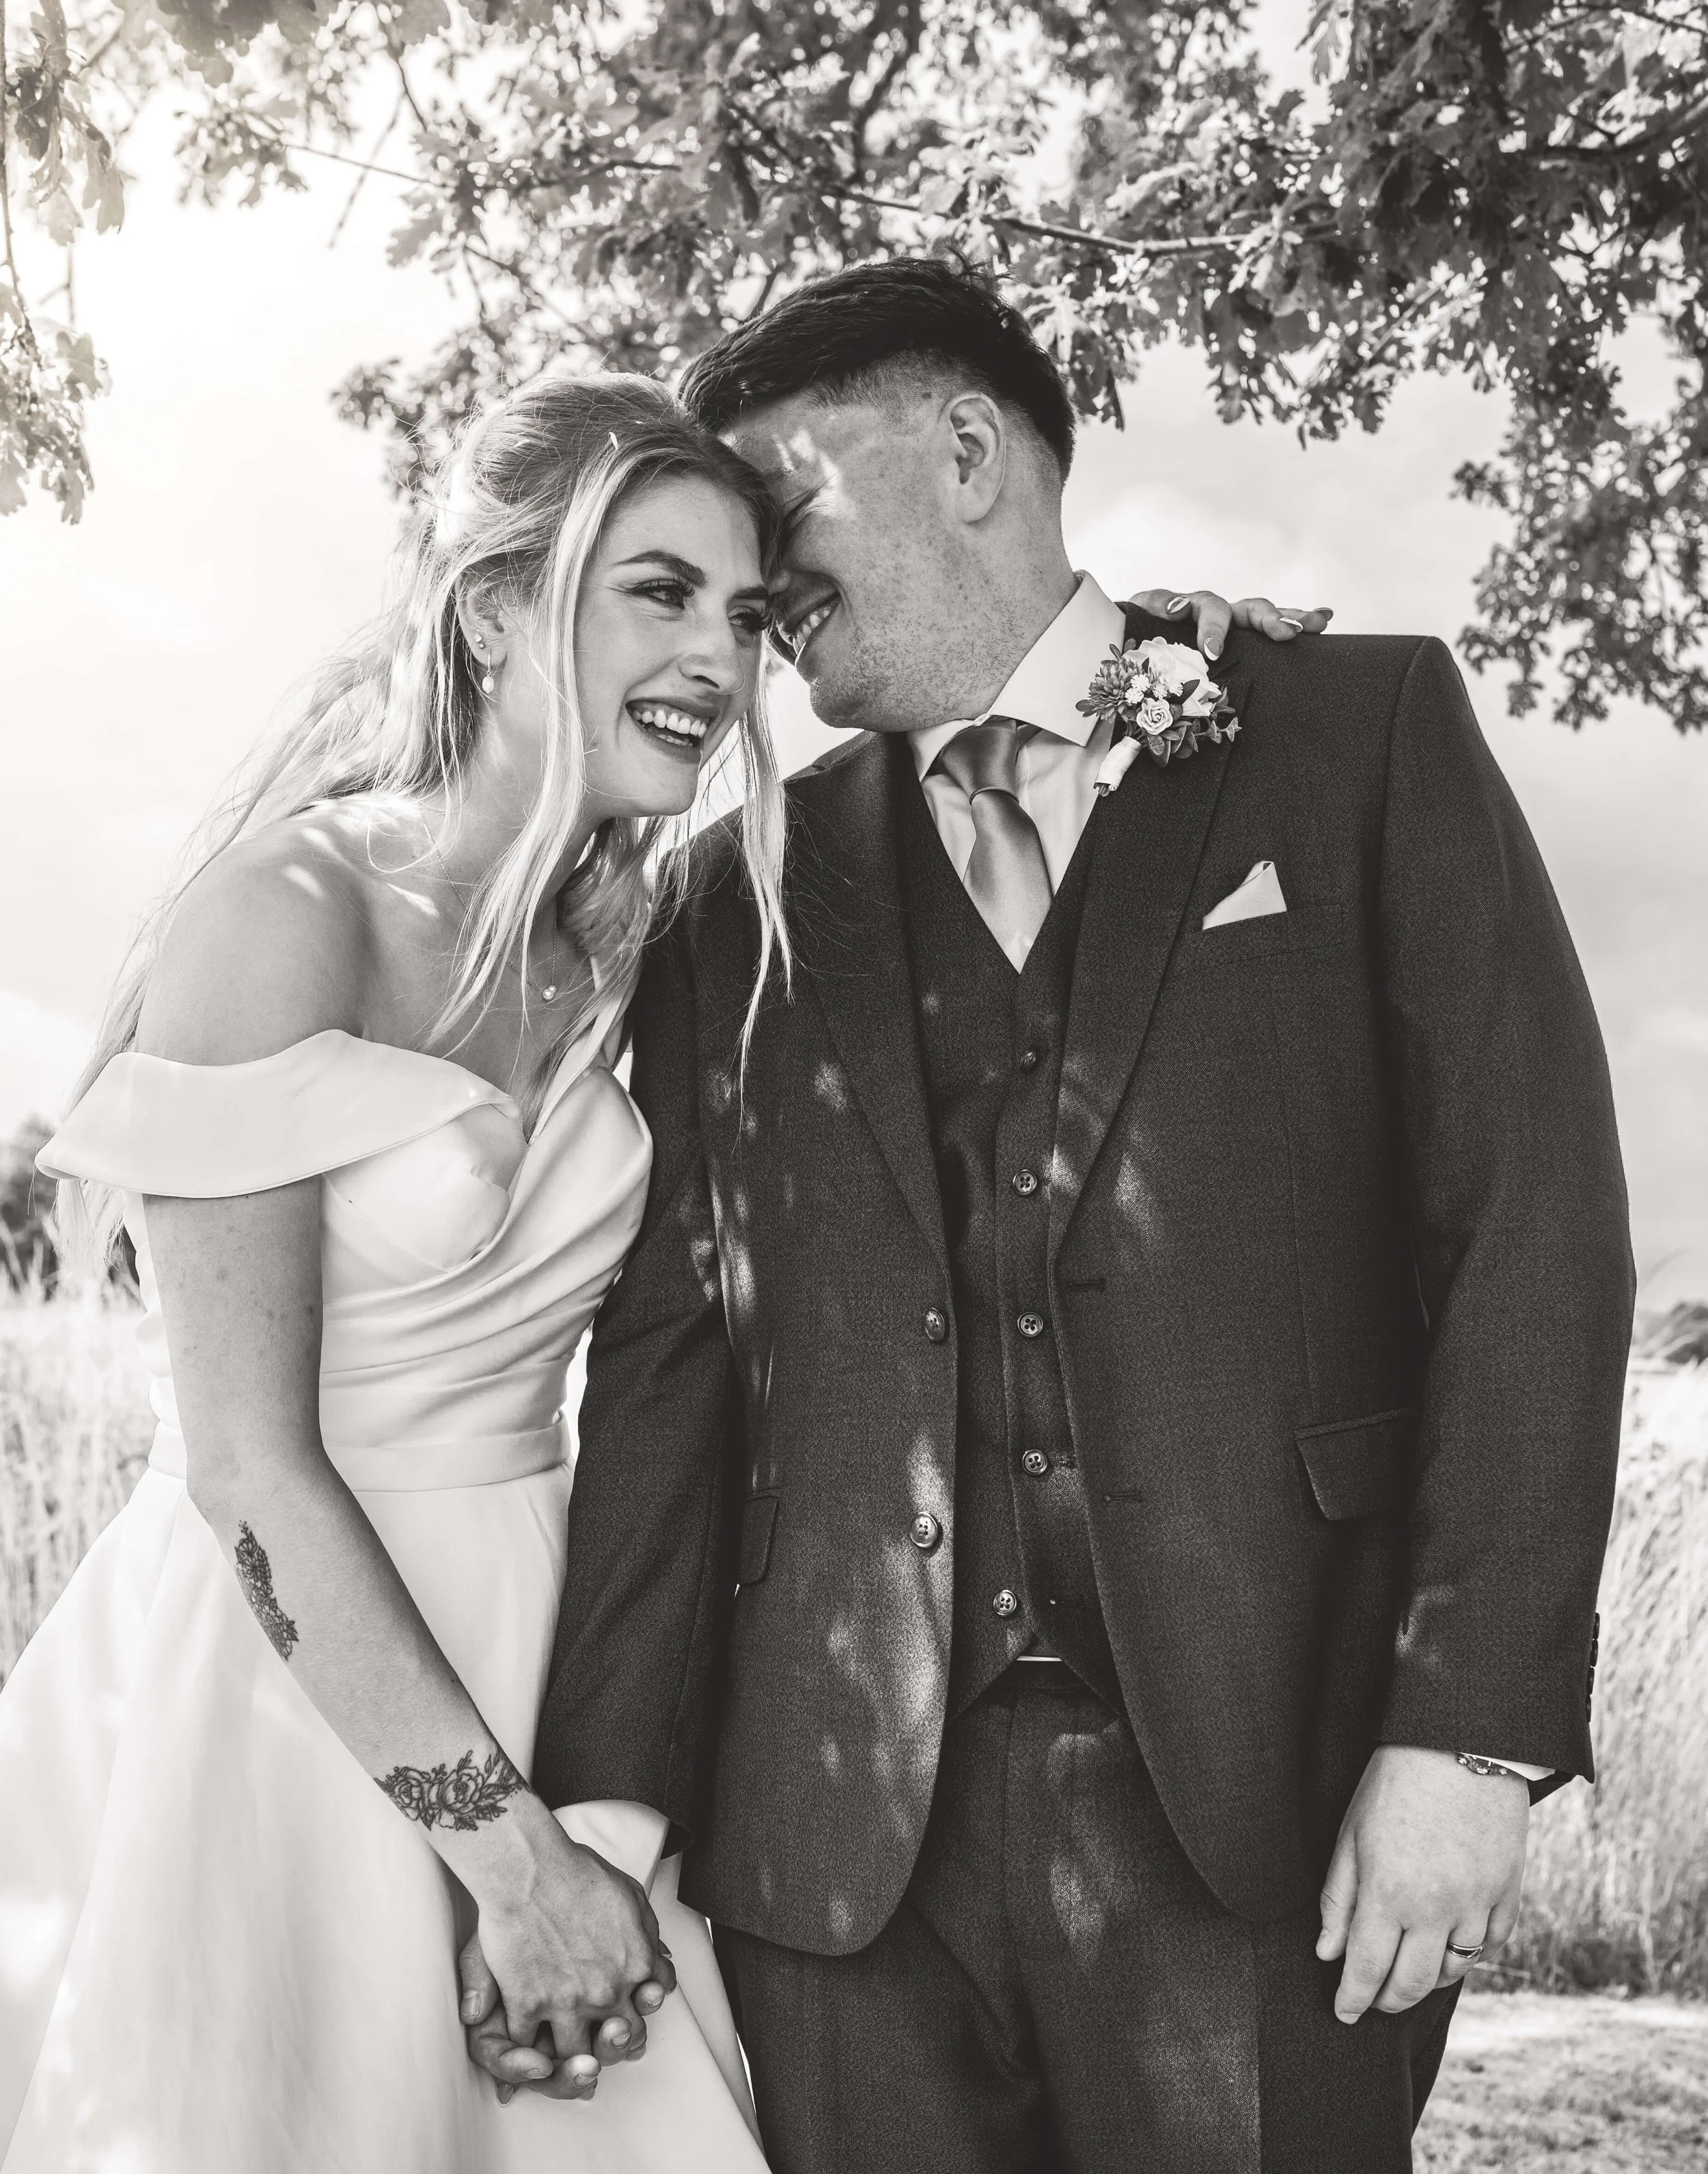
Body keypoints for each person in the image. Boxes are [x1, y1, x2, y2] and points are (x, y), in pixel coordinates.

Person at [0, 357, 1277, 2171]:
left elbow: (982, 816)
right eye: (656, 591)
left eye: (746, 616)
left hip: (553, 1642)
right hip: (277, 1685)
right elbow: (245, 1465)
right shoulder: (284, 918)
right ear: (500, 604)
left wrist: (1174, 661)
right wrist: (512, 1864)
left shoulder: (647, 938)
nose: (717, 658)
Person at [495, 260, 1636, 2173]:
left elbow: (1533, 1228)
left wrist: (1474, 1733)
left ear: (961, 452)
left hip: (1271, 1813)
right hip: (836, 1866)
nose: (755, 587)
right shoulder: (730, 900)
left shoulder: (1353, 733)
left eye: (781, 502)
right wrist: (609, 1806)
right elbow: (676, 1365)